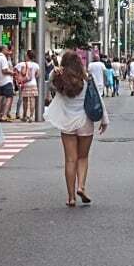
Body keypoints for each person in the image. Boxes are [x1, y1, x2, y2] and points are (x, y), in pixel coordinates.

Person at [45, 51, 109, 207]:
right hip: (85, 121)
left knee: (70, 159)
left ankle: (71, 197)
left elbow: (49, 83)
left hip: (66, 123)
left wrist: (55, 71)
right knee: (83, 157)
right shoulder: (86, 79)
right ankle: (81, 186)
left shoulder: (60, 80)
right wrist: (104, 119)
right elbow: (97, 99)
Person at [15, 51, 41, 122]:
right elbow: (38, 75)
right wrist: (33, 77)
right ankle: (31, 116)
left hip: (25, 84)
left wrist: (18, 79)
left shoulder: (21, 64)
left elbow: (15, 71)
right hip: (33, 84)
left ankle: (25, 116)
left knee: (25, 101)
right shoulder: (36, 65)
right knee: (32, 100)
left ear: (27, 56)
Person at [0, 45, 15, 122]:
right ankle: (4, 115)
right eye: (6, 49)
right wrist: (12, 73)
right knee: (10, 97)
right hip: (6, 81)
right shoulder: (3, 58)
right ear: (3, 50)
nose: (7, 50)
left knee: (0, 97)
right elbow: (4, 70)